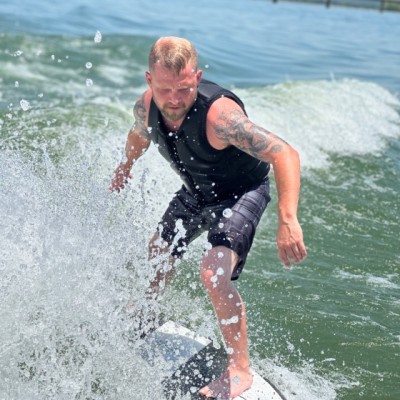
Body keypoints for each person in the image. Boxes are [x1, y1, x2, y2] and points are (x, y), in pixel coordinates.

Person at [110, 36, 307, 399]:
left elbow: (284, 154)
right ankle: (144, 316)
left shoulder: (221, 118)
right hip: (197, 192)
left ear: (197, 78)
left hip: (242, 192)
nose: (174, 99)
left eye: (184, 88)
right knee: (158, 253)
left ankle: (240, 370)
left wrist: (287, 219)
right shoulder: (147, 107)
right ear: (149, 80)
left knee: (213, 273)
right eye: (165, 89)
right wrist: (125, 166)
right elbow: (139, 135)